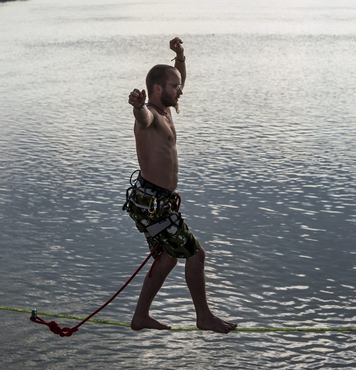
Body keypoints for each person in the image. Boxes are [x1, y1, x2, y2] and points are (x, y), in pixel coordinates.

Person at [123, 37, 237, 334]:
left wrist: (181, 56)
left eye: (179, 86)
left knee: (168, 257)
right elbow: (142, 117)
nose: (180, 90)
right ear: (157, 89)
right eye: (174, 87)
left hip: (152, 201)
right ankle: (204, 317)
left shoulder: (167, 109)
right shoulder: (150, 117)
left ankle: (140, 317)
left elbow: (179, 77)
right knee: (195, 255)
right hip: (153, 205)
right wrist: (137, 106)